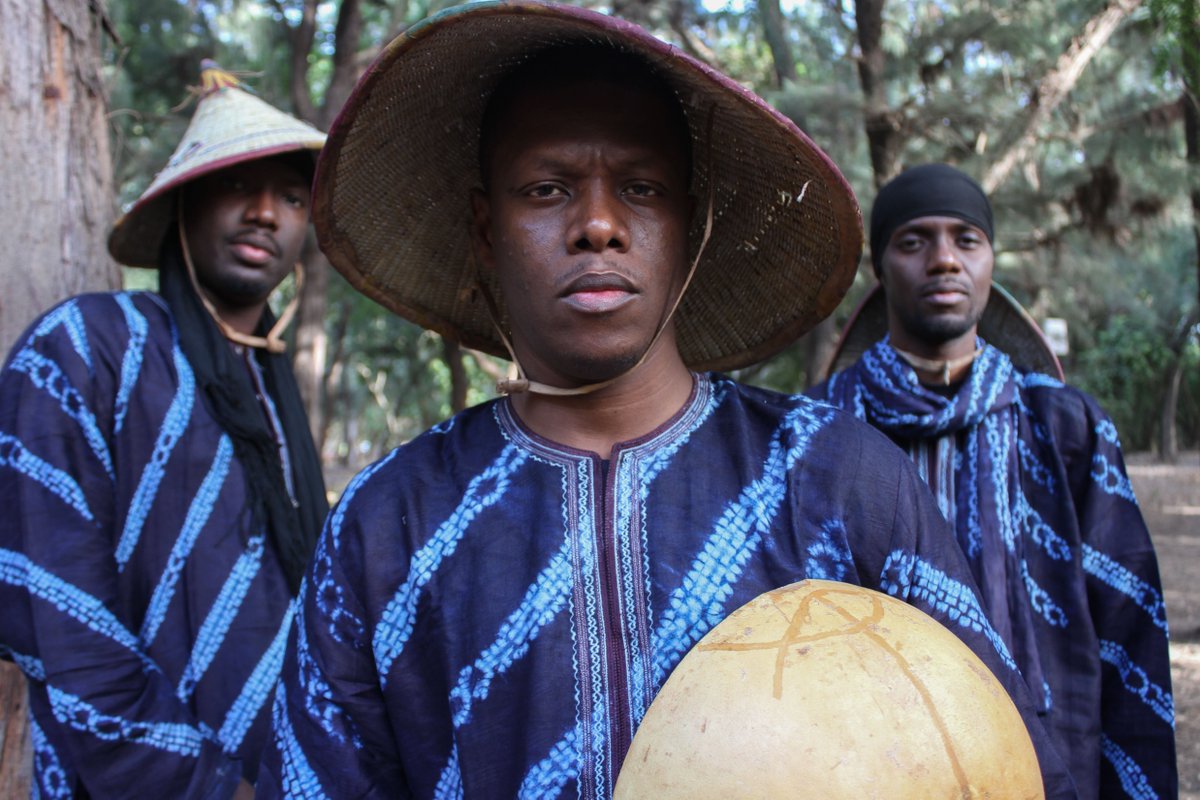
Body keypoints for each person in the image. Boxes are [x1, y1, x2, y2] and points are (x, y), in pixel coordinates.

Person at [258, 5, 1075, 797]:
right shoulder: (388, 523)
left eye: (643, 189)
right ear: (484, 229)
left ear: (694, 223)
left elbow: (984, 751)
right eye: (547, 189)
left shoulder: (840, 479)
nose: (599, 225)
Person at [0, 62, 329, 797]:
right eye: (239, 184)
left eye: (291, 197)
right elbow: (61, 617)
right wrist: (203, 786)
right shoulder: (84, 349)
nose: (267, 214)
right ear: (183, 202)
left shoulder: (273, 395)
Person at [810, 163, 1176, 798]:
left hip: (1050, 756)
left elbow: (1127, 627)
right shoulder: (819, 429)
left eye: (967, 239)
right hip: (870, 764)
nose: (945, 260)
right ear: (880, 267)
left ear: (991, 262)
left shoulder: (1064, 426)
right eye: (914, 240)